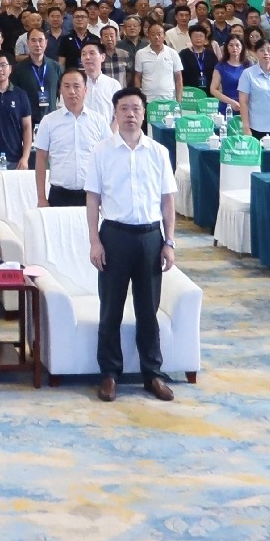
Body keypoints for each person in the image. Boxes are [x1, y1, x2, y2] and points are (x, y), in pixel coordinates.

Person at [85, 88, 178, 402]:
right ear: (115, 113)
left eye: (136, 108)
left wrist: (169, 242)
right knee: (110, 309)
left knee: (148, 310)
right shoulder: (101, 152)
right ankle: (110, 374)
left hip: (150, 237)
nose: (130, 114)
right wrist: (95, 241)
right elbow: (93, 200)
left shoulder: (158, 152)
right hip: (114, 236)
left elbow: (168, 201)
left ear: (144, 113)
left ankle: (152, 374)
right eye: (124, 108)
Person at [33, 65, 106, 207]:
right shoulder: (48, 121)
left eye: (77, 86)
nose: (72, 91)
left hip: (92, 194)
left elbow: (107, 158)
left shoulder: (98, 121)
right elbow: (41, 160)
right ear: (60, 90)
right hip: (59, 194)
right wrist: (41, 197)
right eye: (66, 86)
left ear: (85, 90)